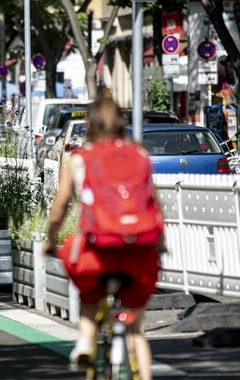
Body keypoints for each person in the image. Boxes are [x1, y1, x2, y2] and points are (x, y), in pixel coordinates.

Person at [44, 89, 163, 380]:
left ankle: (85, 340)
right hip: (139, 252)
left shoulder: (79, 160)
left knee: (89, 294)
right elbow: (156, 206)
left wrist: (50, 240)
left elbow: (59, 207)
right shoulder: (141, 154)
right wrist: (161, 245)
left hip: (96, 253)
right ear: (122, 124)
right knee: (136, 327)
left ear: (90, 125)